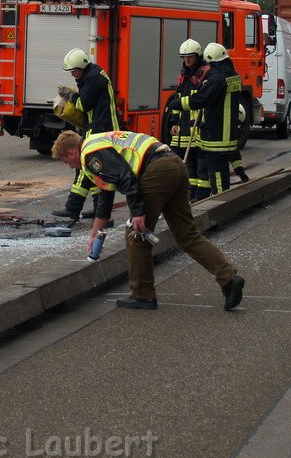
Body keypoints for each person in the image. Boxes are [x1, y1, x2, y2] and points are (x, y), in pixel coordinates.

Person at [51, 129, 245, 311]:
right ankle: (228, 278)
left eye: (65, 161)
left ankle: (142, 295)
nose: (69, 166)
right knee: (187, 233)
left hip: (157, 170)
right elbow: (105, 196)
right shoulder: (99, 141)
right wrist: (94, 235)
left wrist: (138, 213)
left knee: (137, 234)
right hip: (174, 164)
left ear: (71, 153)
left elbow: (125, 178)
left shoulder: (89, 154)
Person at [52, 48, 121, 222]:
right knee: (97, 171)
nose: (73, 75)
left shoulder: (93, 78)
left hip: (101, 130)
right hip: (100, 127)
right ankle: (100, 209)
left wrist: (70, 94)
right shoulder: (92, 75)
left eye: (74, 71)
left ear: (82, 66)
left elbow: (83, 104)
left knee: (83, 167)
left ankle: (72, 208)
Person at [180, 43, 242, 196]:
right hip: (228, 133)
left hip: (216, 134)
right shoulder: (234, 76)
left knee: (217, 174)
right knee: (217, 171)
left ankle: (221, 204)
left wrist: (178, 103)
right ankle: (216, 198)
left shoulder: (218, 79)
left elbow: (202, 99)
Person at [166, 39, 210, 201]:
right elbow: (178, 98)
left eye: (190, 57)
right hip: (185, 125)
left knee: (201, 163)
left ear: (197, 56)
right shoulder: (184, 74)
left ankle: (202, 195)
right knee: (189, 163)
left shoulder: (205, 72)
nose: (187, 60)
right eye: (184, 57)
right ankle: (192, 194)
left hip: (199, 125)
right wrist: (174, 121)